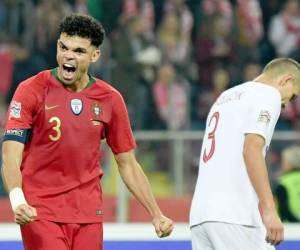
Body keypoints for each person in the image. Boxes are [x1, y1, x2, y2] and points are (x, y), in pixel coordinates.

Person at [0, 14, 174, 250]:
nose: (68, 56)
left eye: (79, 51)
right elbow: (11, 154)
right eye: (63, 47)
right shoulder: (31, 90)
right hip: (39, 211)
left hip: (89, 213)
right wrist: (17, 200)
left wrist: (156, 213)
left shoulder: (110, 99)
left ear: (95, 55)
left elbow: (128, 164)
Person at [190, 57, 300, 250]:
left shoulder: (225, 97)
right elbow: (251, 149)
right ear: (286, 80)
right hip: (234, 216)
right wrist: (269, 209)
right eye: (292, 97)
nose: (287, 105)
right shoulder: (268, 95)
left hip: (201, 217)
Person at [275, 145, 300, 222]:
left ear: (290, 163)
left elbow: (284, 210)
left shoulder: (283, 183)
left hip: (290, 228)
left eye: (284, 161)